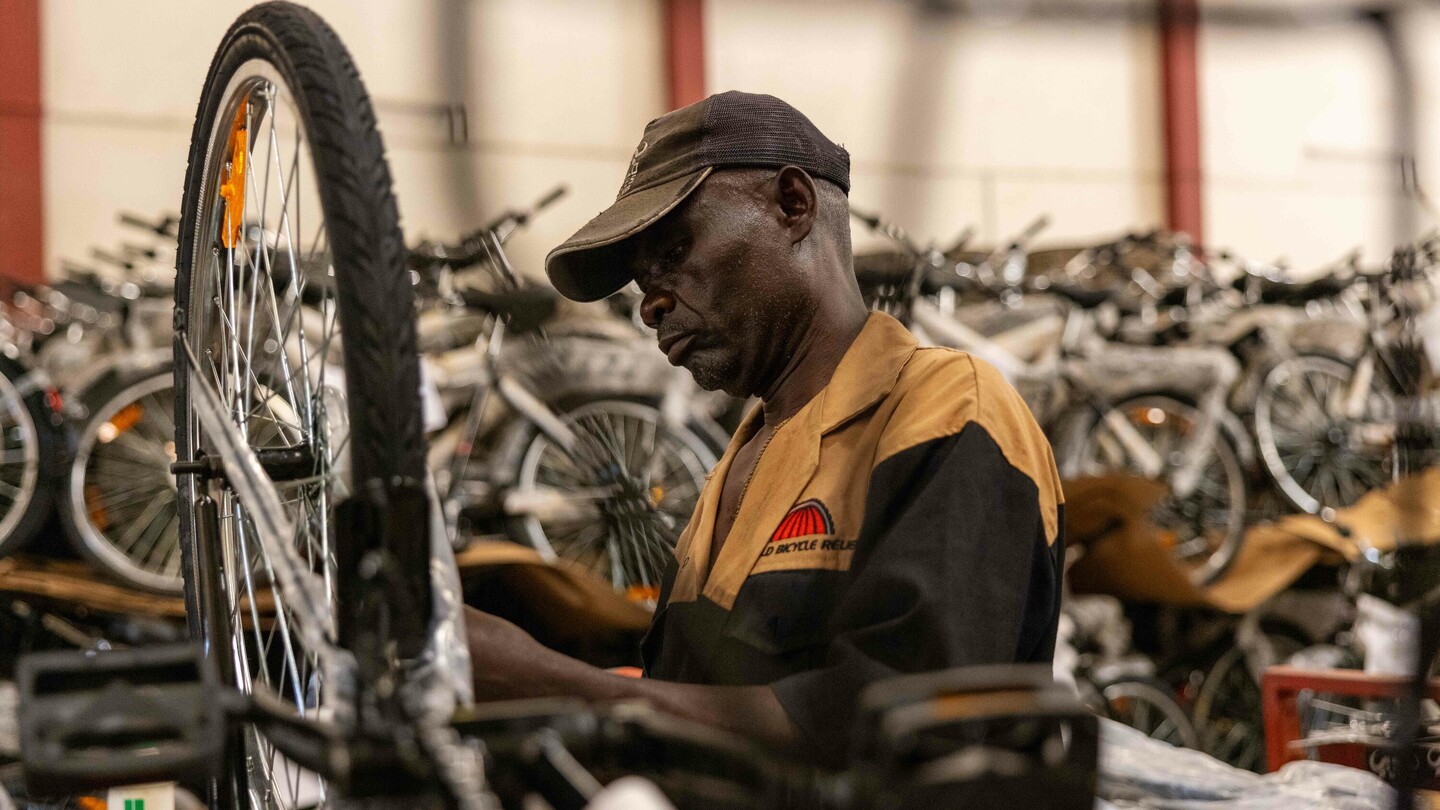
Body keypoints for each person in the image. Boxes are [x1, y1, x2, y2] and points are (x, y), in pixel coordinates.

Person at [463, 90, 1064, 767]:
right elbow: (702, 705)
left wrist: (549, 682)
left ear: (792, 205)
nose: (650, 305)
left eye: (676, 249)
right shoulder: (741, 461)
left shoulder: (947, 410)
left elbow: (903, 735)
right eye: (640, 281)